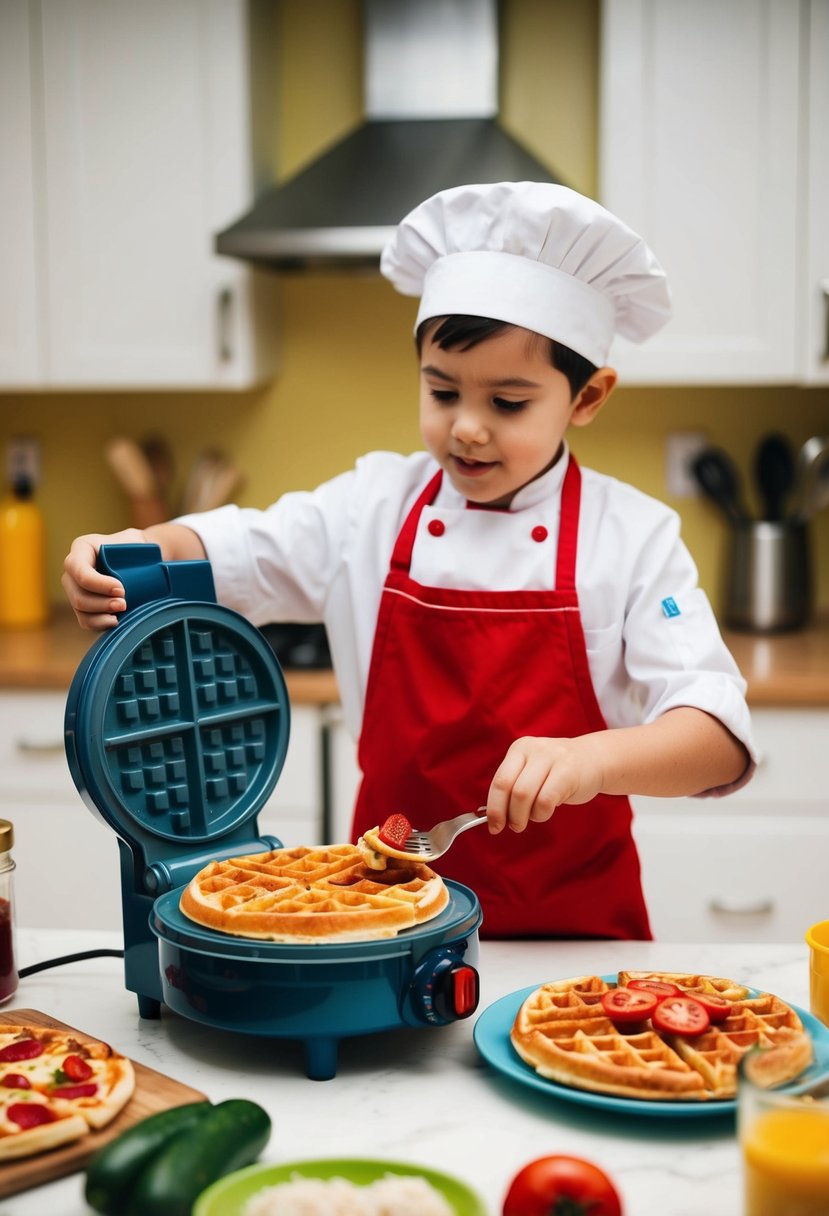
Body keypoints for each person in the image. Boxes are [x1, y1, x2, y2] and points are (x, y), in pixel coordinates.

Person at [63, 182, 756, 940]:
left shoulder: (631, 536)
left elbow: (715, 740)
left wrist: (593, 760)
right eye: (441, 390)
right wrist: (126, 554)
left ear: (586, 396)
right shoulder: (373, 504)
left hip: (571, 939)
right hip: (381, 922)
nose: (465, 428)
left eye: (507, 403)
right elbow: (231, 549)